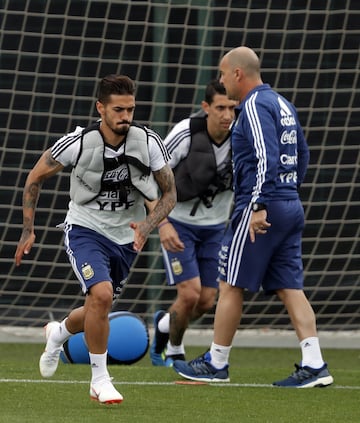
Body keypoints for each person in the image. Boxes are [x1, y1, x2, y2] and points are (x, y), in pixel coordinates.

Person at [172, 46, 334, 388]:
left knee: (230, 284)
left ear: (237, 74)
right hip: (288, 203)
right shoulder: (282, 103)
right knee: (290, 287)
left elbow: (265, 156)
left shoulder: (256, 105)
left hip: (262, 206)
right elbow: (301, 152)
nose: (220, 80)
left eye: (221, 73)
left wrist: (260, 204)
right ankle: (315, 362)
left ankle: (217, 362)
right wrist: (289, 190)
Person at [14, 74, 177, 404]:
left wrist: (148, 227)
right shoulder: (77, 143)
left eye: (130, 109)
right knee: (101, 295)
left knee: (96, 306)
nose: (125, 117)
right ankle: (99, 380)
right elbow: (33, 179)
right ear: (100, 108)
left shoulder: (148, 142)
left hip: (125, 238)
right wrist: (27, 230)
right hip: (85, 229)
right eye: (118, 109)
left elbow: (169, 193)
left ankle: (58, 333)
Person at [150, 80, 237, 367]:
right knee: (189, 294)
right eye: (220, 108)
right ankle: (173, 350)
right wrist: (162, 224)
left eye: (232, 108)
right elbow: (149, 177)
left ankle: (164, 325)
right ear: (206, 107)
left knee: (206, 301)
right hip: (178, 223)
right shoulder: (186, 132)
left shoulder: (243, 136)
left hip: (215, 228)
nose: (227, 115)